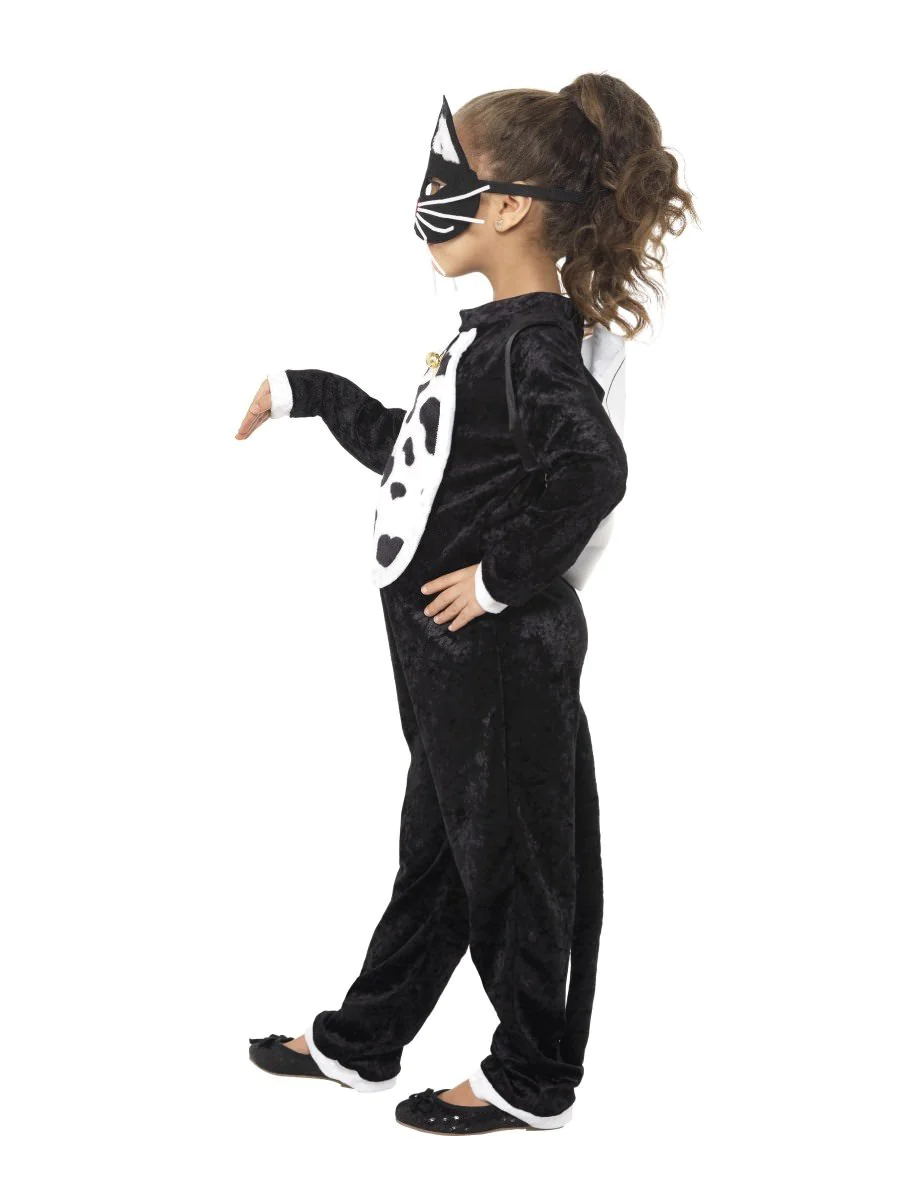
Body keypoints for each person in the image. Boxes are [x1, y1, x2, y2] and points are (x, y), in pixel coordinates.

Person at [237, 74, 697, 1136]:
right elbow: (420, 458)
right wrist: (311, 393)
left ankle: (533, 1076)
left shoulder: (533, 343)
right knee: (442, 855)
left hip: (498, 653)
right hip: (449, 662)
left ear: (509, 206)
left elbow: (593, 470)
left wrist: (496, 581)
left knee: (517, 863)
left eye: (451, 176)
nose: (428, 196)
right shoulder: (490, 338)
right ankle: (364, 1040)